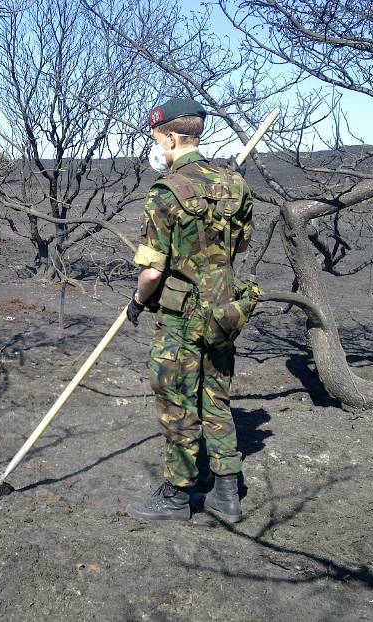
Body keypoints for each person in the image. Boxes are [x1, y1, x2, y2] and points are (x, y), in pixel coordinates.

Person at [125, 98, 254, 523]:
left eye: (157, 139)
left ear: (172, 137)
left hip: (181, 317)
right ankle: (226, 494)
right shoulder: (234, 184)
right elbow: (240, 246)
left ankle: (178, 495)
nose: (156, 148)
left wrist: (138, 302)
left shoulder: (165, 192)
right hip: (224, 309)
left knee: (177, 400)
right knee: (216, 397)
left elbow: (151, 271)